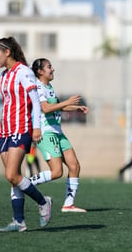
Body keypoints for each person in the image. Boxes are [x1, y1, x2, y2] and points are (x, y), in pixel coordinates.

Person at [0, 37, 52, 232]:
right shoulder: (4, 75)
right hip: (5, 131)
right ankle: (19, 222)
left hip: (21, 128)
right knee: (12, 178)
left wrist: (36, 127)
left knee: (12, 174)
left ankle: (43, 202)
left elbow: (35, 102)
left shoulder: (24, 72)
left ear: (7, 52)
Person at [28, 58, 88, 213]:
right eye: (49, 67)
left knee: (74, 166)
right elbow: (46, 108)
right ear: (40, 71)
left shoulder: (49, 86)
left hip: (57, 132)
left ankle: (68, 204)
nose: (53, 69)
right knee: (57, 172)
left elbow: (58, 107)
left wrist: (76, 107)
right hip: (46, 132)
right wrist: (67, 102)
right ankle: (24, 184)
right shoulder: (38, 87)